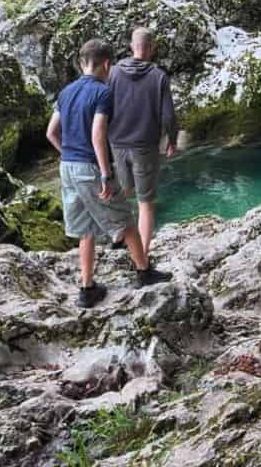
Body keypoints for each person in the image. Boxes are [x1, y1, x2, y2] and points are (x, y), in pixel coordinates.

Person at [45, 38, 152, 309]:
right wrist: (105, 172)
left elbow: (51, 132)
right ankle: (144, 274)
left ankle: (87, 288)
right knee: (126, 221)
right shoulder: (102, 92)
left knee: (85, 230)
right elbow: (98, 133)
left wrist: (67, 154)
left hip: (67, 167)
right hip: (90, 167)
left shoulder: (65, 92)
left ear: (82, 63)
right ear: (107, 64)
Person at [107, 27, 177, 285]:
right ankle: (143, 263)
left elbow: (103, 107)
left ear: (131, 46)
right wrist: (172, 139)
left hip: (117, 144)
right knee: (145, 204)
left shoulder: (112, 72)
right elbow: (168, 115)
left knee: (123, 193)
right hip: (145, 146)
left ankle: (118, 237)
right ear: (151, 47)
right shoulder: (158, 76)